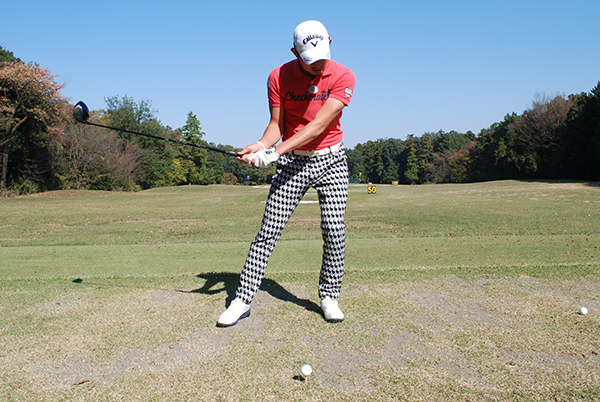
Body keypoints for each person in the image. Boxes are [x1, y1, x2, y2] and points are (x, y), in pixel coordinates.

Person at [217, 20, 356, 327]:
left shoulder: (344, 75)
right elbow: (276, 126)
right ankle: (242, 299)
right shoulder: (277, 76)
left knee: (334, 229)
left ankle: (330, 296)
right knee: (268, 230)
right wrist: (260, 146)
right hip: (293, 163)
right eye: (310, 59)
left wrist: (274, 152)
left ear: (331, 43)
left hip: (332, 160)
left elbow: (318, 125)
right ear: (294, 53)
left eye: (323, 56)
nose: (319, 64)